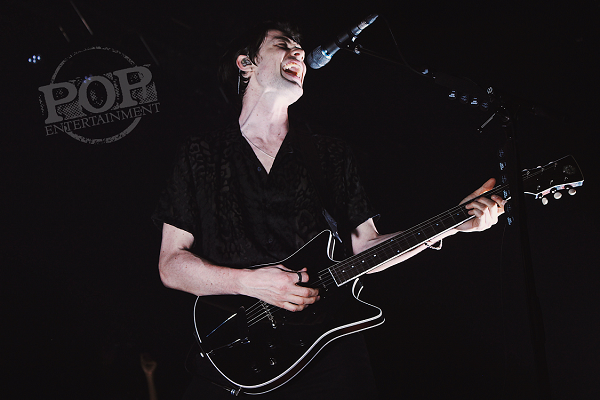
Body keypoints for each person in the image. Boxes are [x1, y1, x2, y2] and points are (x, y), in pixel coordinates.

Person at [153, 20, 505, 399]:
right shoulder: (201, 155)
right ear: (246, 63)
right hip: (235, 346)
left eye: (300, 48)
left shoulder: (330, 154)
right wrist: (250, 283)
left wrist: (453, 224)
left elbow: (366, 247)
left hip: (326, 352)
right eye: (282, 44)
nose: (299, 52)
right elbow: (171, 265)